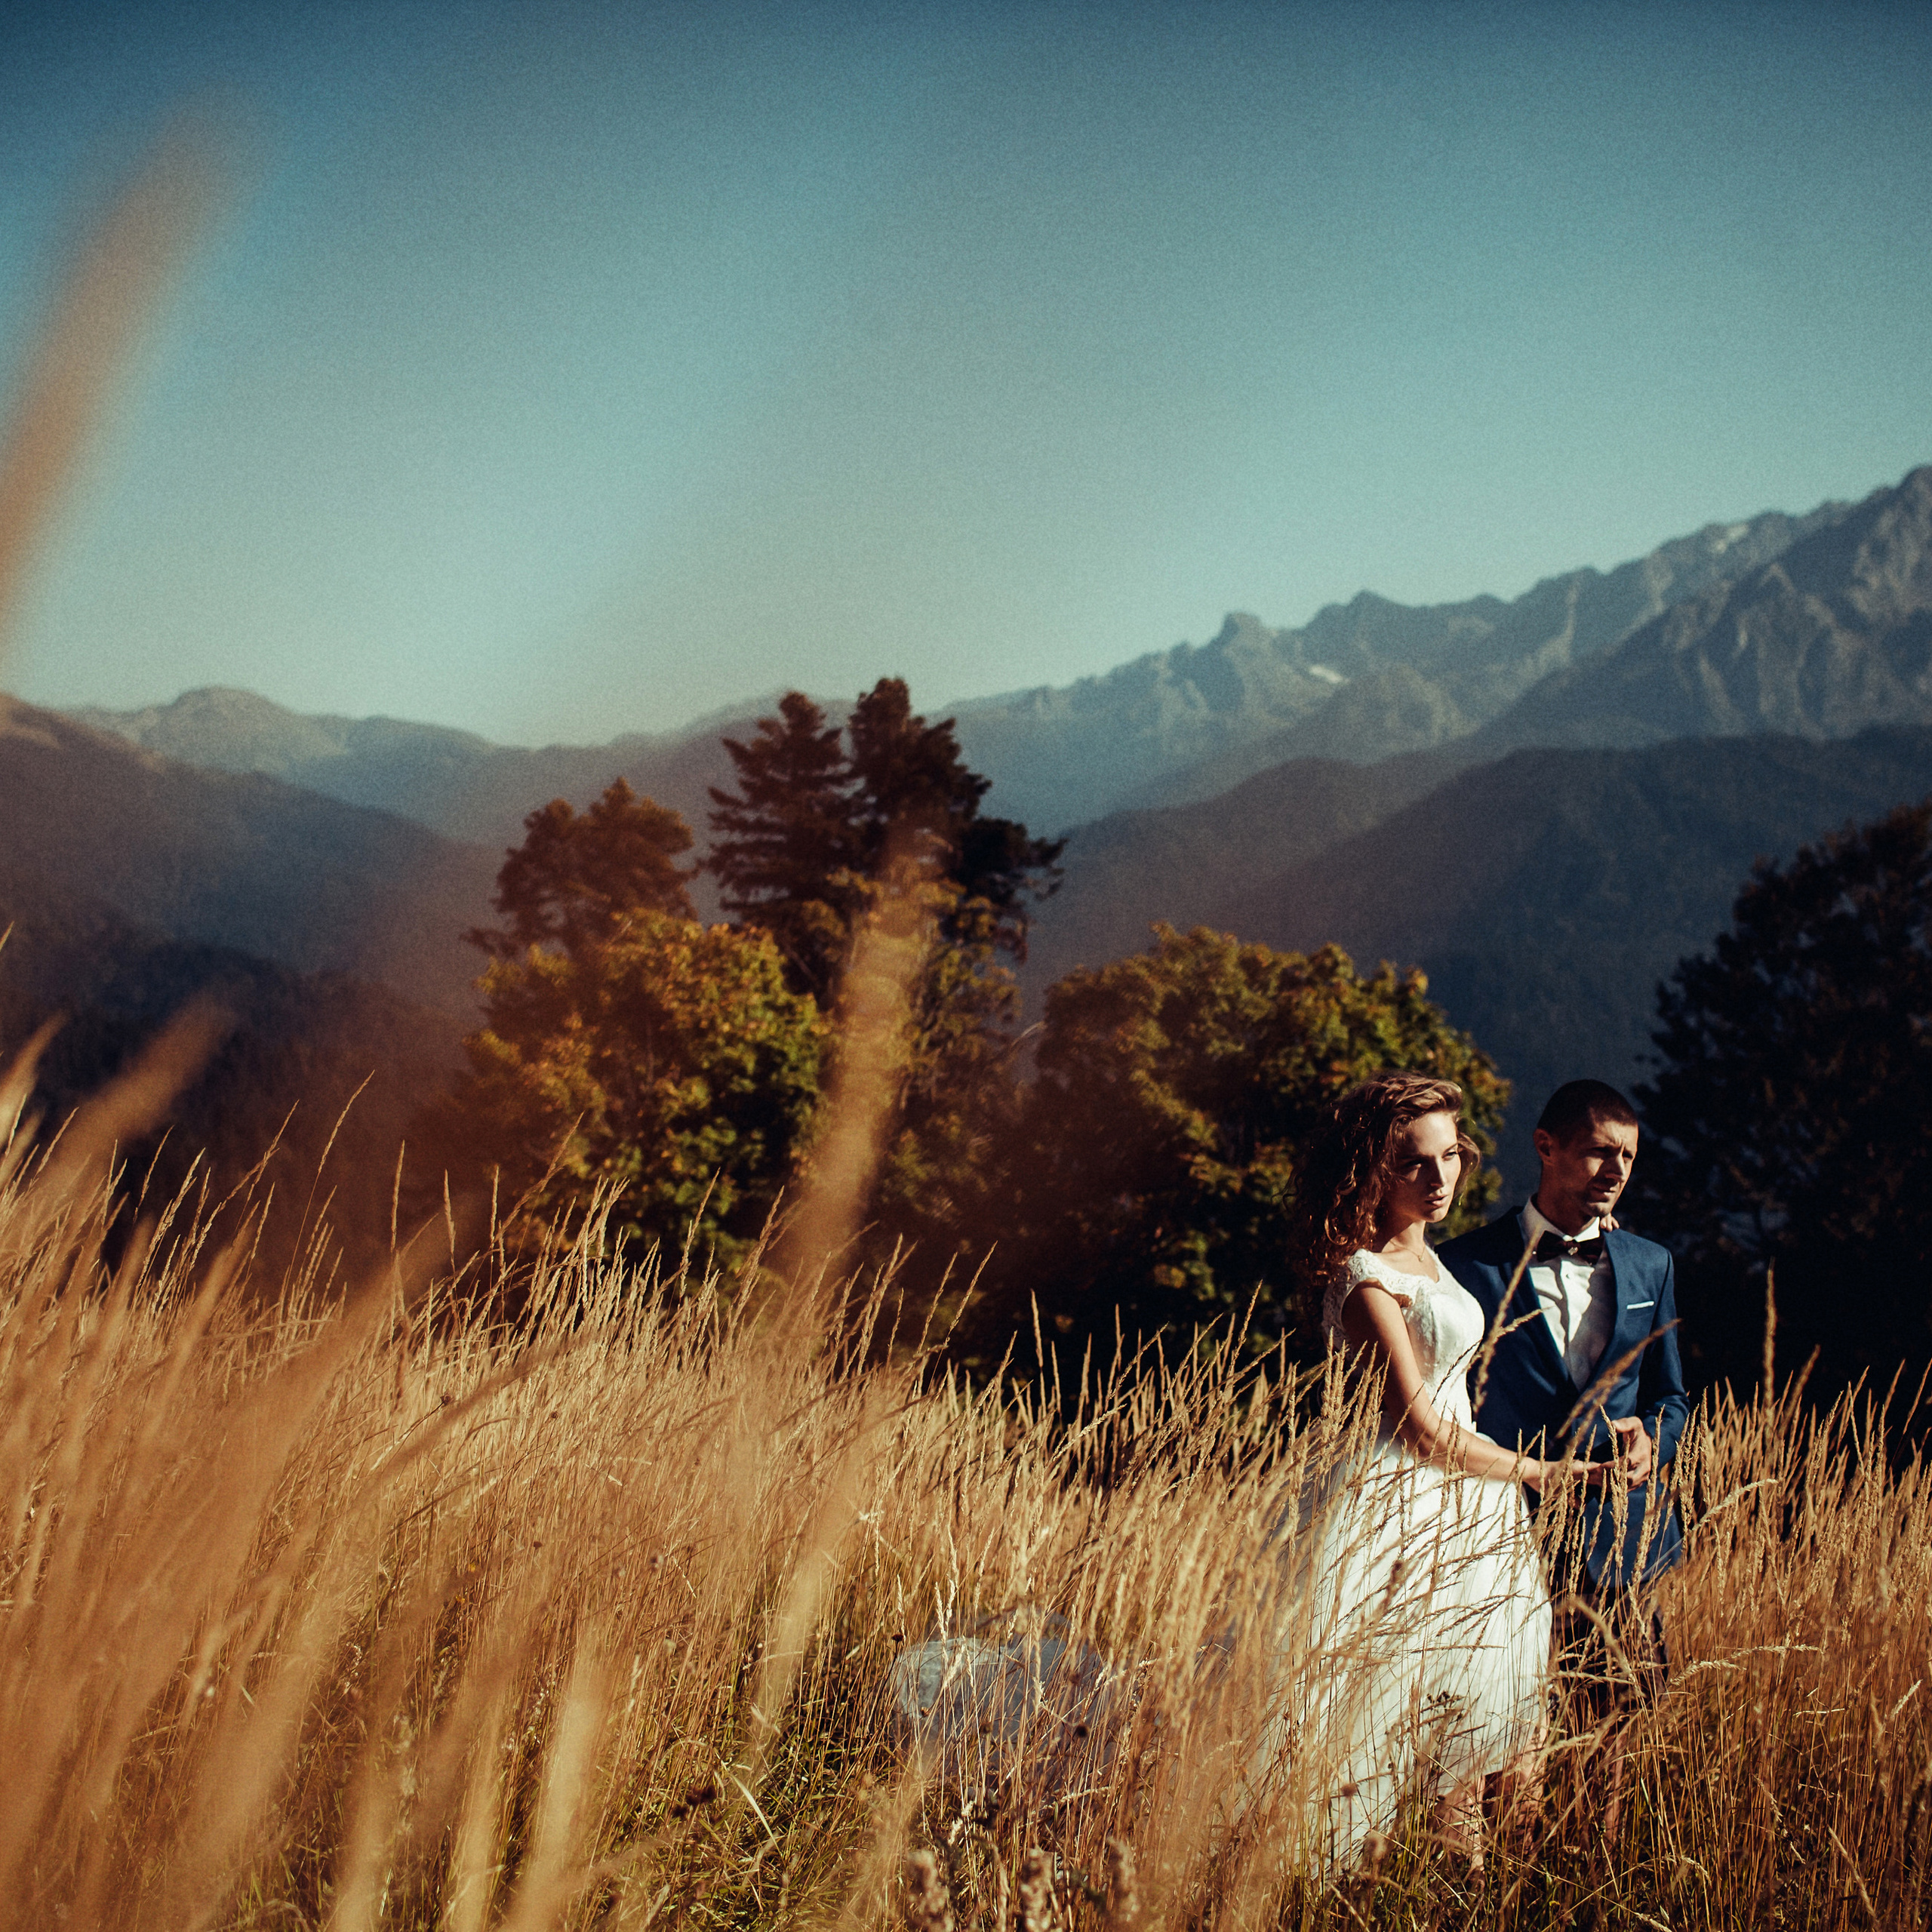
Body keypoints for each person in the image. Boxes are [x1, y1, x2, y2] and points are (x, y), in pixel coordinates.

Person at [1281, 1072, 1606, 1871]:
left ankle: (1518, 1899)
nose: (1440, 1177)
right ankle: (1438, 1898)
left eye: (1450, 1155)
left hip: (1474, 1513)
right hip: (1402, 1512)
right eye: (1413, 1163)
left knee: (1514, 1734)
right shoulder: (1361, 1275)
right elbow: (1421, 1428)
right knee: (1435, 1748)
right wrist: (1546, 1473)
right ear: (1370, 1170)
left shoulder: (1429, 1259)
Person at [1436, 1078, 1688, 1850]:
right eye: (1596, 1152)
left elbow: (1672, 1395)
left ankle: (1593, 1877)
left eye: (1626, 1157)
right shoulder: (1464, 1265)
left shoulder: (1651, 1264)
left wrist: (1651, 1436)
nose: (1613, 1169)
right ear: (1546, 1147)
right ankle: (1489, 1886)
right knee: (1496, 1726)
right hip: (1504, 1531)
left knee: (1610, 1723)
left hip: (1622, 1532)